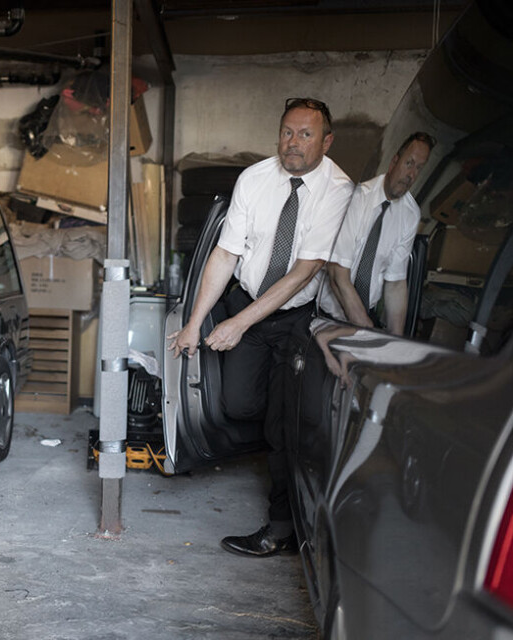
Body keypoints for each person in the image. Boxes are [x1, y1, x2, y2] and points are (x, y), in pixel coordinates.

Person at [168, 97, 353, 557]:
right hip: (248, 301)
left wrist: (236, 325)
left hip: (295, 318)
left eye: (306, 134)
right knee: (239, 403)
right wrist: (194, 323)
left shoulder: (338, 189)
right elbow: (225, 254)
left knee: (282, 428)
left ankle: (281, 527)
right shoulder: (254, 178)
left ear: (327, 141)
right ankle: (281, 429)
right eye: (287, 132)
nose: (293, 143)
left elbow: (306, 271)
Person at [319, 132, 435, 335]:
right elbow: (337, 274)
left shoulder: (410, 214)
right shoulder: (357, 197)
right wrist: (366, 332)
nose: (411, 175)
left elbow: (395, 282)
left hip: (365, 317)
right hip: (326, 315)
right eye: (409, 163)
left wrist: (394, 341)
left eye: (419, 168)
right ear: (394, 162)